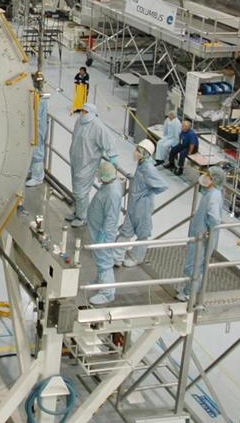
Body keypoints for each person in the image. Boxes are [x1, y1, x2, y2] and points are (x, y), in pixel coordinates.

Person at [178, 166, 225, 301]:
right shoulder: (209, 193)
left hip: (203, 237)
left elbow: (214, 219)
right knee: (194, 263)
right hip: (199, 234)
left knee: (195, 265)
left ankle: (190, 293)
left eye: (209, 175)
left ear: (214, 180)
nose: (205, 177)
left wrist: (208, 232)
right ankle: (188, 288)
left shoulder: (214, 195)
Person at [121, 139, 169, 267]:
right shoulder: (141, 164)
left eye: (138, 150)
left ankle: (137, 257)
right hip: (134, 202)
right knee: (126, 229)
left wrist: (147, 192)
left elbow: (163, 186)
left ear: (145, 153)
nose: (135, 152)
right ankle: (116, 255)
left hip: (143, 205)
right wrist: (135, 178)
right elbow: (143, 179)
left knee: (143, 233)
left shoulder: (148, 168)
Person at [68, 103, 115, 226]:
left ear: (92, 113)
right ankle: (77, 212)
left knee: (81, 191)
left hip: (88, 163)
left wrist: (113, 157)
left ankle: (82, 217)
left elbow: (109, 141)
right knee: (76, 189)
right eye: (82, 111)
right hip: (76, 161)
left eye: (86, 111)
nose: (83, 113)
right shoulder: (79, 121)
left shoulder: (98, 126)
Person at [86, 160, 124, 306]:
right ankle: (101, 281)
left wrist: (104, 236)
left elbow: (111, 218)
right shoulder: (109, 185)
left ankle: (107, 293)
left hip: (104, 234)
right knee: (100, 259)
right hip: (98, 230)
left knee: (105, 262)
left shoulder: (112, 192)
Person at [24, 88, 51, 187]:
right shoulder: (36, 98)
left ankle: (38, 177)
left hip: (37, 130)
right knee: (32, 148)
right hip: (34, 128)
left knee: (37, 150)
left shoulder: (40, 101)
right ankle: (31, 170)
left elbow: (38, 118)